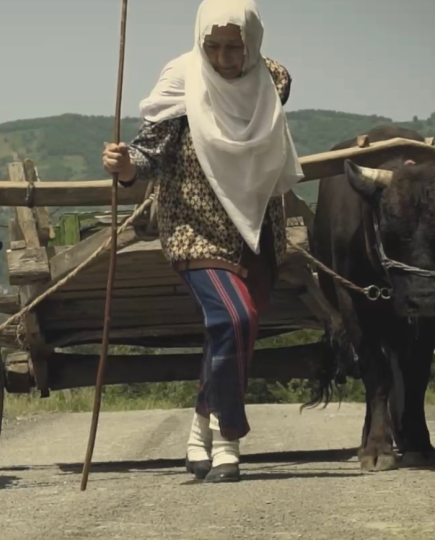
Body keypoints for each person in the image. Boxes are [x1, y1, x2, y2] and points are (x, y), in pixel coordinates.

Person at [101, 0, 303, 483]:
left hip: (255, 227)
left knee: (229, 333)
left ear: (252, 43)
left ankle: (198, 429)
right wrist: (126, 166)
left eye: (235, 47)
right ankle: (228, 438)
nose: (223, 58)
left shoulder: (272, 80)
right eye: (213, 46)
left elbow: (270, 88)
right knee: (236, 317)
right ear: (200, 41)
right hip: (193, 226)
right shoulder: (182, 81)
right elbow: (149, 154)